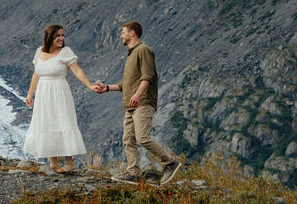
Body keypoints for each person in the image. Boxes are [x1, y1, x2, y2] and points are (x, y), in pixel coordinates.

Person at [92, 21, 184, 183]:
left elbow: (148, 76)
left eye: (123, 32)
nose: (121, 36)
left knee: (142, 137)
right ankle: (133, 173)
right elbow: (125, 85)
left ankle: (170, 162)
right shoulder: (131, 53)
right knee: (128, 139)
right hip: (131, 105)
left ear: (132, 33)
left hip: (142, 103)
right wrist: (106, 88)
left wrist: (138, 94)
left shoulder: (144, 50)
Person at [21, 23, 100, 174]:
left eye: (63, 35)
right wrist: (30, 94)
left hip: (59, 92)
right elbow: (36, 74)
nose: (62, 38)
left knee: (63, 121)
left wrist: (89, 85)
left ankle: (69, 163)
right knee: (47, 122)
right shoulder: (39, 52)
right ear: (50, 37)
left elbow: (76, 70)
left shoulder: (65, 52)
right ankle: (53, 163)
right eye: (58, 35)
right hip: (43, 93)